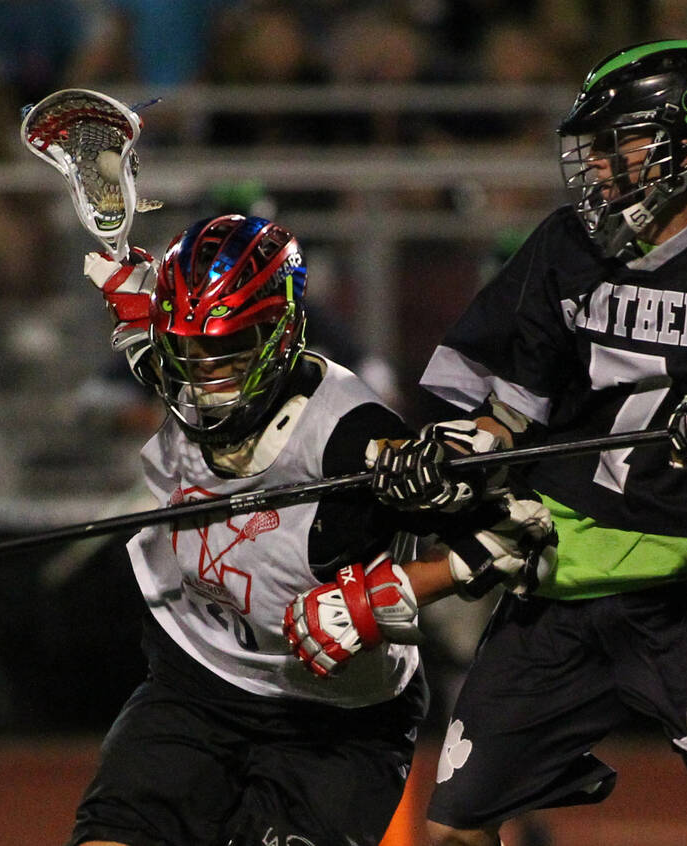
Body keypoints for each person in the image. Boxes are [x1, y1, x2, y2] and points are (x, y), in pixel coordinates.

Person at [295, 40, 687, 846]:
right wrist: (448, 455)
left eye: (618, 141)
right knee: (456, 825)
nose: (597, 164)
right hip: (565, 564)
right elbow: (507, 419)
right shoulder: (567, 249)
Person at [70, 213, 556, 846]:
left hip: (336, 723)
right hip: (197, 679)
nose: (202, 380)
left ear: (280, 336)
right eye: (187, 349)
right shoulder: (174, 367)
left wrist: (384, 597)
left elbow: (522, 538)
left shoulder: (354, 440)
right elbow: (156, 342)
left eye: (225, 352)